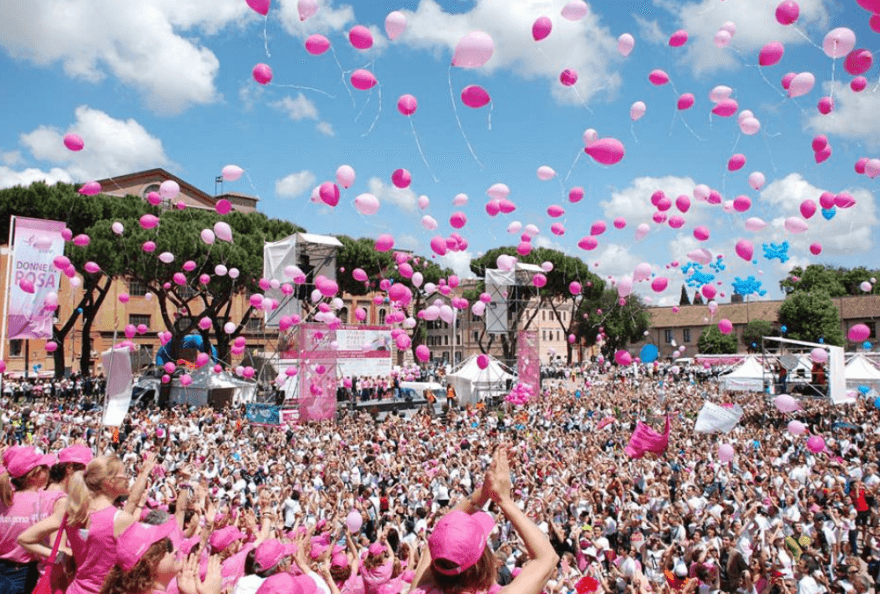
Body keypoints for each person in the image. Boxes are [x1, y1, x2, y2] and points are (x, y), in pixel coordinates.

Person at [411, 446, 559, 594]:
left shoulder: (421, 590)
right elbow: (546, 558)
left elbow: (443, 529)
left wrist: (484, 493)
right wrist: (503, 499)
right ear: (480, 564)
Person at [19, 454, 156, 594]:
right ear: (110, 481)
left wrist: (62, 556)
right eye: (124, 474)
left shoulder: (72, 513)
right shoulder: (121, 520)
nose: (127, 479)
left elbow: (25, 538)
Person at [0, 446, 55, 594]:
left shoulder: (4, 498)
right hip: (23, 574)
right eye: (44, 467)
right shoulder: (42, 502)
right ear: (34, 475)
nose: (48, 470)